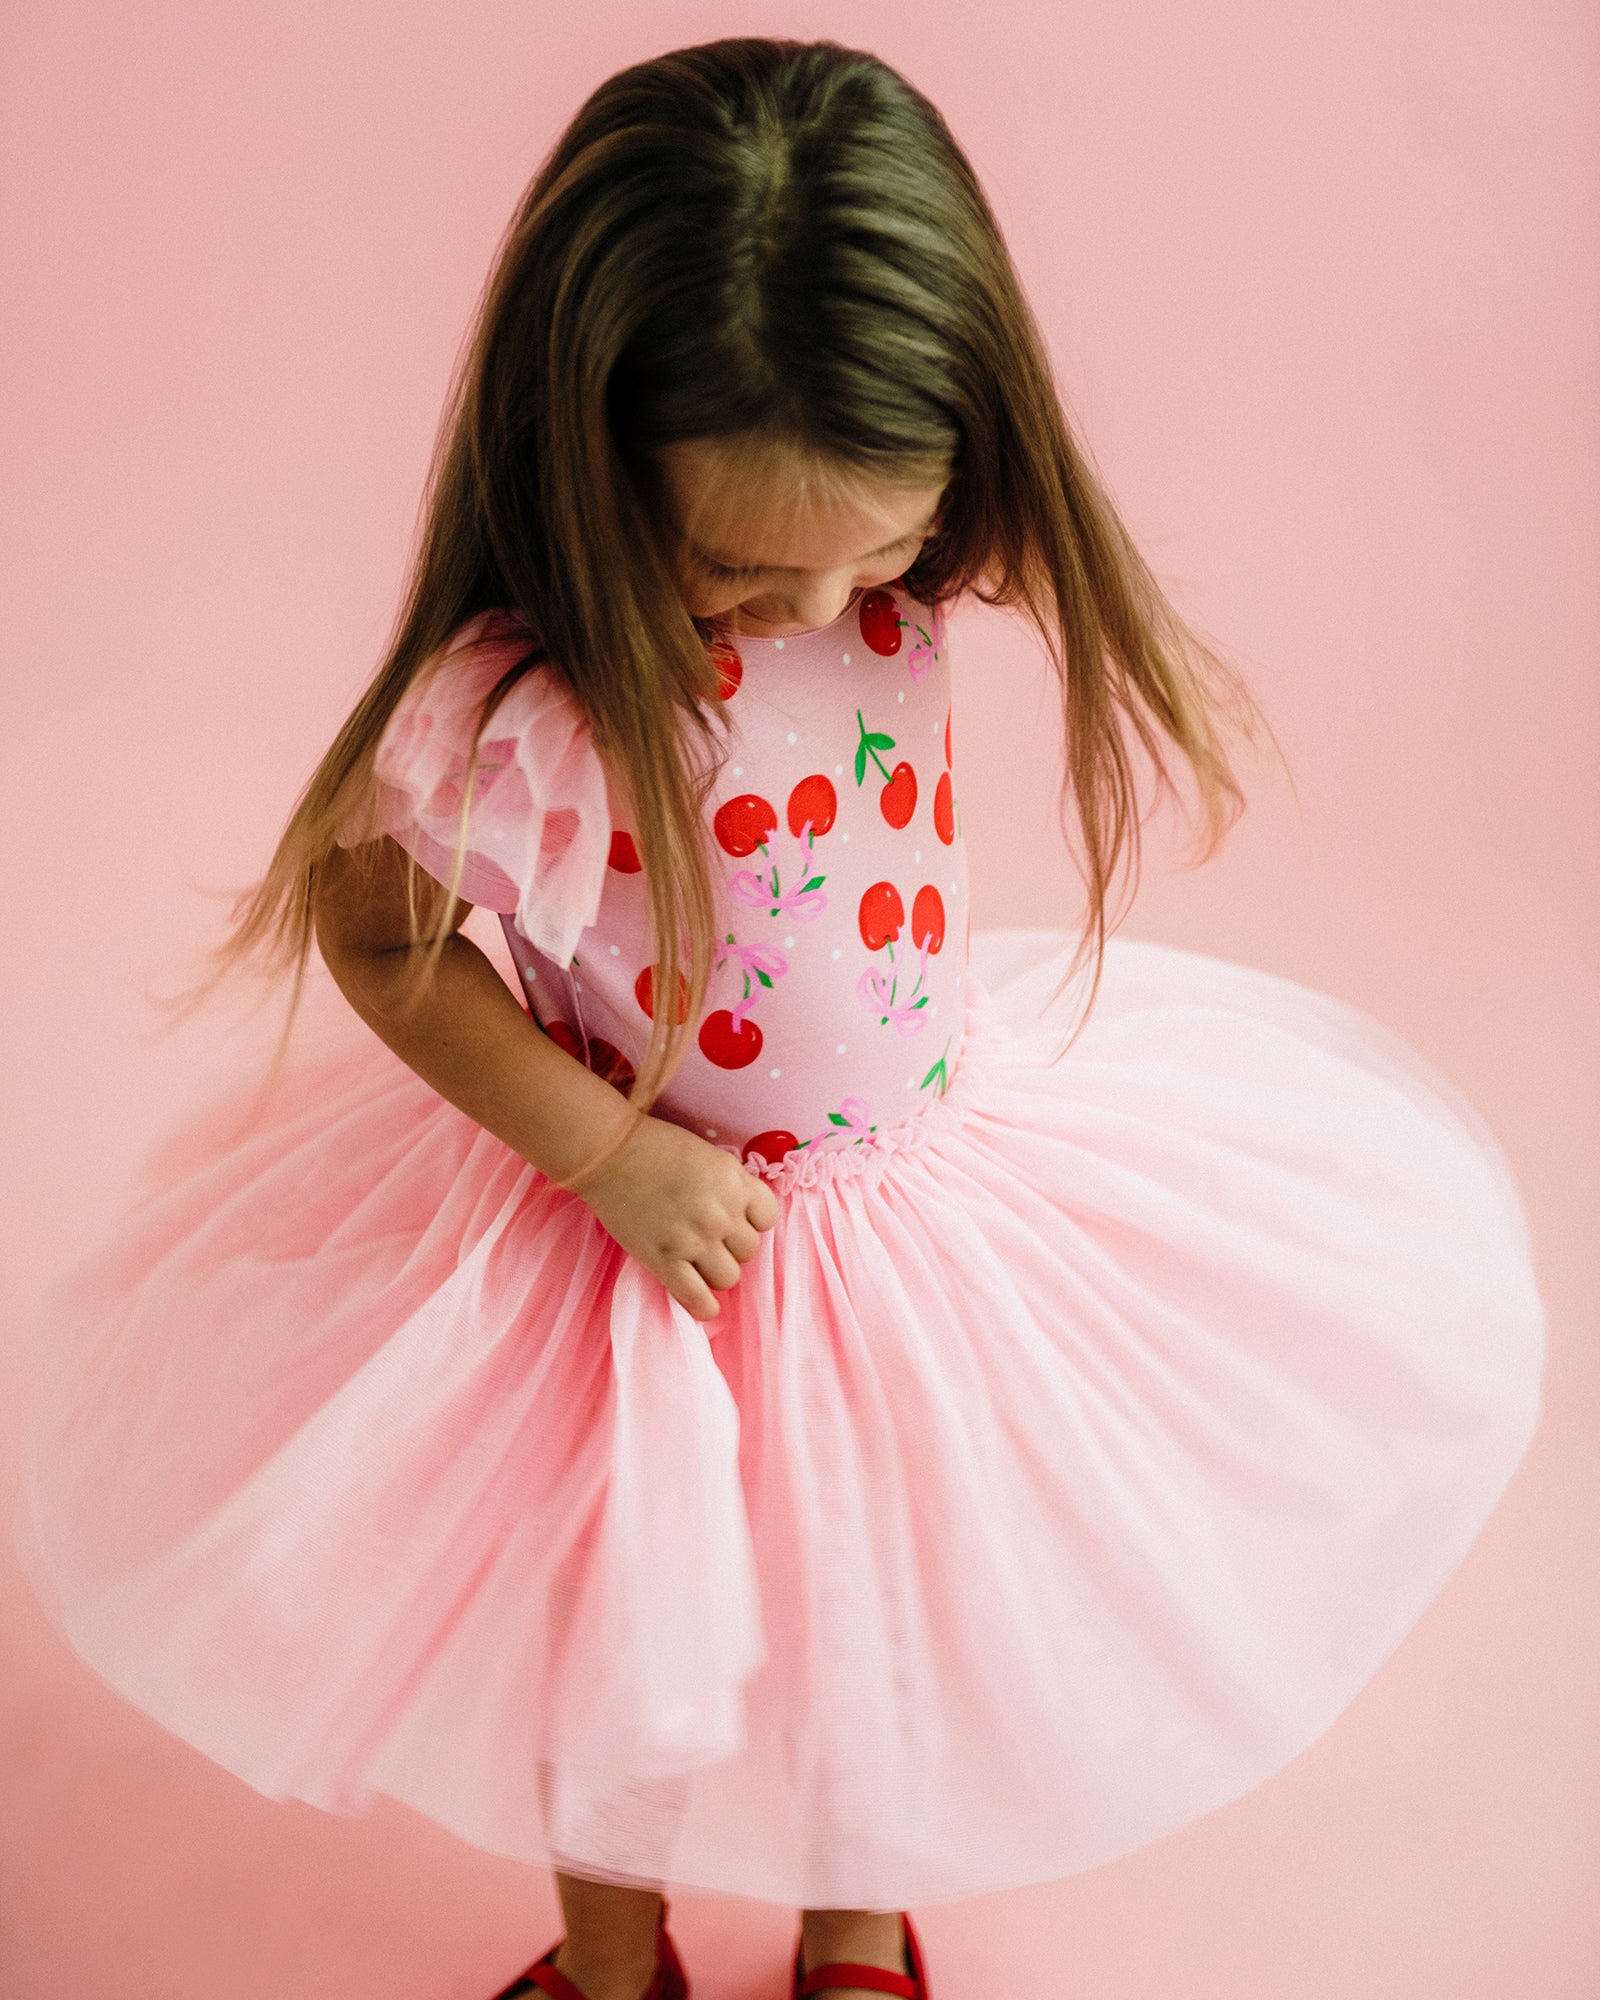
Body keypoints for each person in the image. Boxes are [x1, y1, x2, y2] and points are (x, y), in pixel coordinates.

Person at [14, 36, 1546, 2000]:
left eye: (879, 545)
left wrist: (879, 563)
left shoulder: (897, 578)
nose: (822, 600)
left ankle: (849, 1927)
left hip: (907, 1210)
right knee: (604, 1638)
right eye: (740, 566)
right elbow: (378, 938)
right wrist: (609, 1151)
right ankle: (607, 1952)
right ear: (584, 467)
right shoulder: (524, 714)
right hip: (634, 1239)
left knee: (876, 1602)